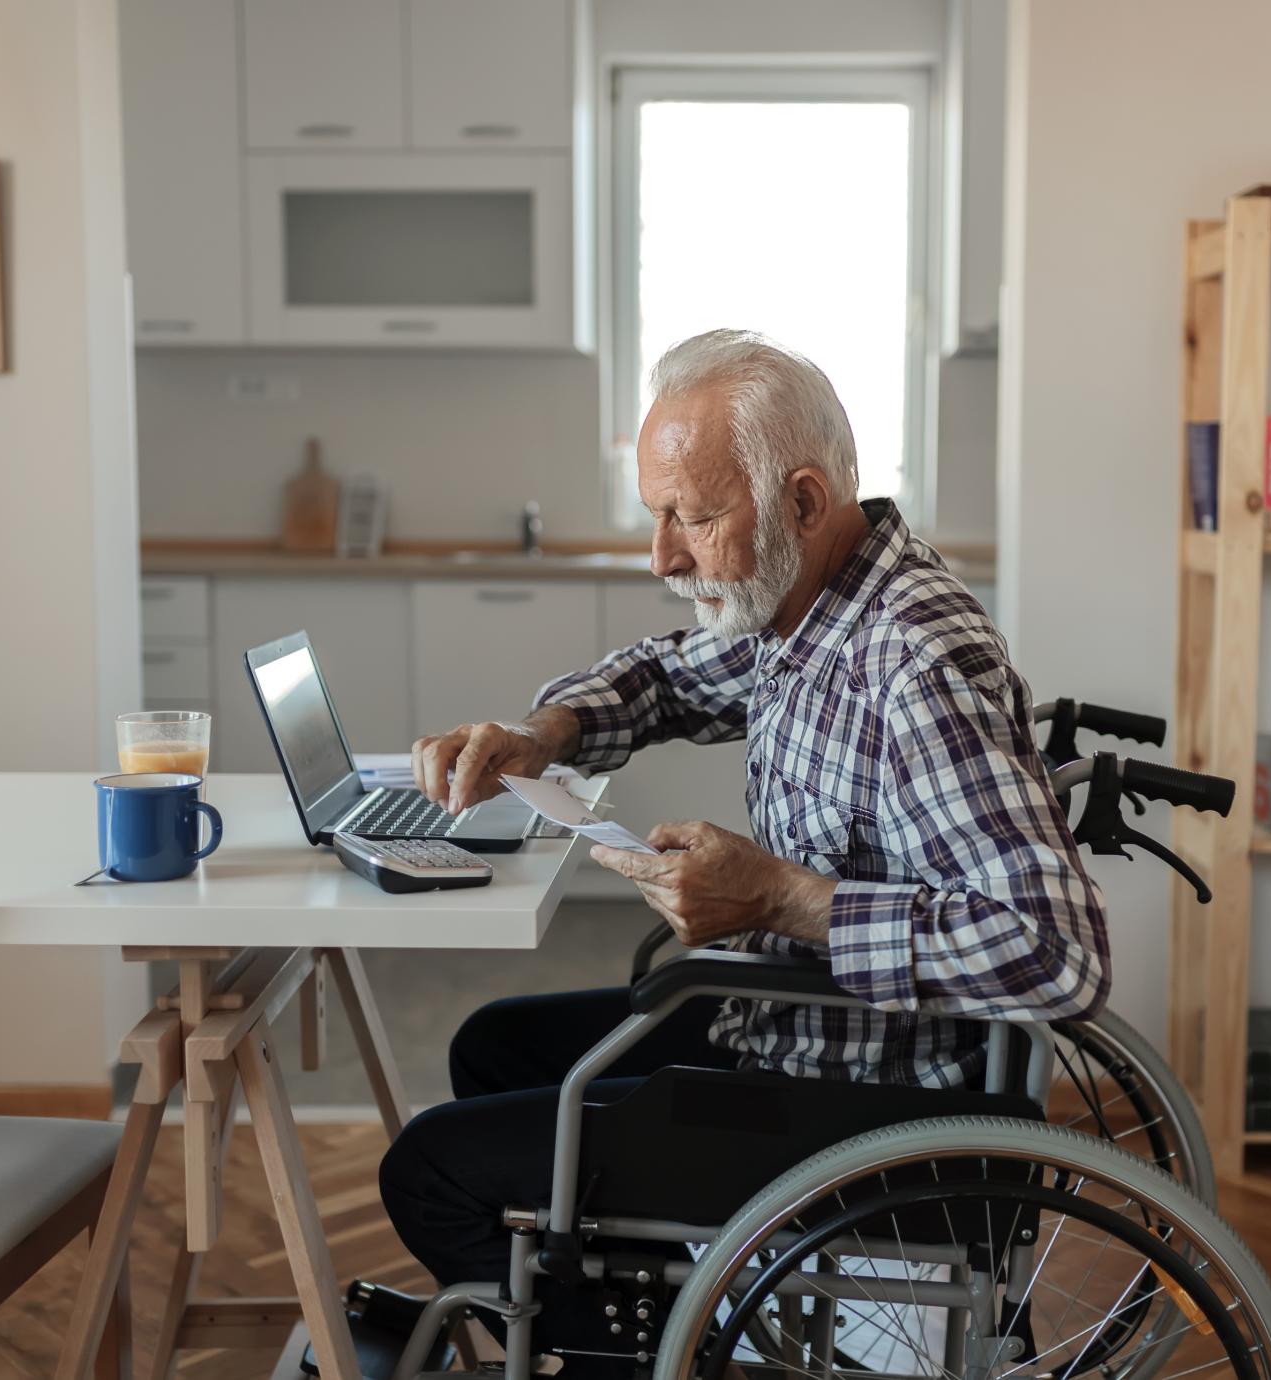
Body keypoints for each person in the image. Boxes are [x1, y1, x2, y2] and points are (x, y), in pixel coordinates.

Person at [378, 328, 1109, 1372]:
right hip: (795, 1033)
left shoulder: (910, 661)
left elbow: (1056, 951)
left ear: (803, 503)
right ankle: (638, 1309)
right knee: (491, 1048)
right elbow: (676, 675)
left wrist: (780, 900)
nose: (662, 557)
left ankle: (653, 1350)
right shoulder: (809, 607)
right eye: (657, 516)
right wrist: (550, 733)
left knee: (431, 1171)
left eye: (694, 517)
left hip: (867, 1100)